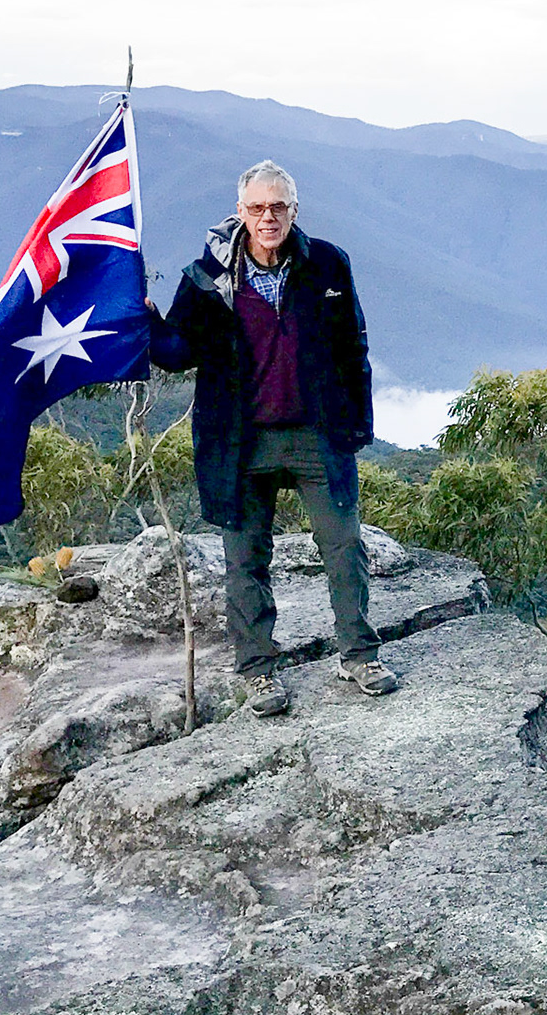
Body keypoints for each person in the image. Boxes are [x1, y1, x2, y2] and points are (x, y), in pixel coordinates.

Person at [147, 159, 393, 716]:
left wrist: (358, 425)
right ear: (240, 213)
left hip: (317, 433)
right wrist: (144, 321)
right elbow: (177, 352)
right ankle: (258, 670)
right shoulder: (207, 277)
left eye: (277, 207)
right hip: (241, 440)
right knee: (245, 559)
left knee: (344, 545)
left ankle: (360, 654)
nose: (267, 217)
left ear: (294, 212)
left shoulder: (327, 264)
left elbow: (353, 346)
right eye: (257, 208)